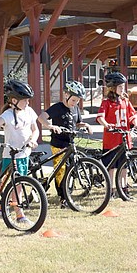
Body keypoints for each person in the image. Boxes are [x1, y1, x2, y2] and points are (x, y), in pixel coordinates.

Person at [0, 79, 39, 223]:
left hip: (24, 155)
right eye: (25, 100)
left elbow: (35, 129)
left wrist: (33, 140)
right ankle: (19, 215)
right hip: (10, 156)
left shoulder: (29, 111)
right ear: (14, 100)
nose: (28, 103)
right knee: (15, 186)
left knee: (17, 185)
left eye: (28, 100)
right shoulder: (8, 115)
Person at [37, 80, 91, 208]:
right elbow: (41, 117)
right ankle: (63, 198)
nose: (75, 103)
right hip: (58, 144)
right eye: (74, 100)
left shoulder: (75, 109)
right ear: (66, 95)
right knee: (61, 170)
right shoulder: (57, 108)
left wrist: (86, 125)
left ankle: (68, 192)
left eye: (78, 101)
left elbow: (77, 123)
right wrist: (50, 126)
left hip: (70, 144)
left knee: (71, 169)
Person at [96, 72, 137, 196]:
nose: (123, 89)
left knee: (124, 166)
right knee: (111, 167)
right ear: (113, 88)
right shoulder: (106, 102)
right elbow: (100, 117)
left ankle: (123, 188)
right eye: (120, 87)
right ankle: (110, 189)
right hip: (111, 140)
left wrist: (136, 124)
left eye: (123, 87)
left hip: (124, 138)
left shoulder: (125, 101)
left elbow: (132, 115)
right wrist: (107, 125)